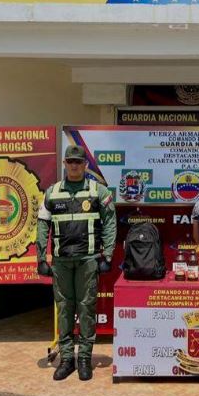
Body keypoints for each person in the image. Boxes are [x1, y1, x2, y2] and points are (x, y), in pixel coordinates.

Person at [36, 145, 116, 381]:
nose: (74, 165)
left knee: (87, 309)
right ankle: (67, 359)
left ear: (85, 165)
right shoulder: (51, 193)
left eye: (78, 162)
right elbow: (42, 225)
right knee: (64, 310)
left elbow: (110, 222)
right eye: (70, 161)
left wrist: (108, 255)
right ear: (64, 164)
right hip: (61, 262)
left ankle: (84, 360)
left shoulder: (98, 191)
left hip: (88, 261)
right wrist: (41, 257)